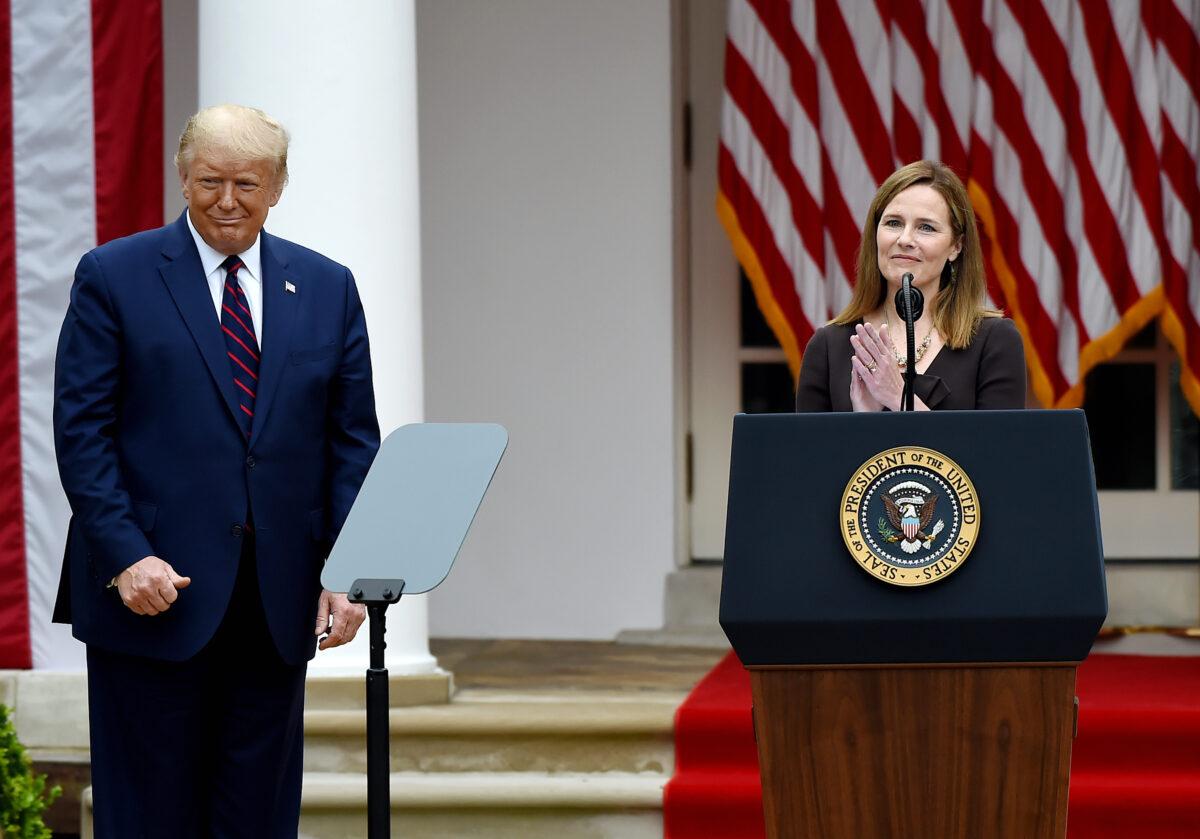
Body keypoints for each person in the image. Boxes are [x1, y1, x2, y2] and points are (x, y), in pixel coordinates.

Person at [52, 104, 380, 838]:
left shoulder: (328, 286)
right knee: (149, 818)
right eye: (209, 181)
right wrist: (127, 553)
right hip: (150, 598)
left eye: (246, 183)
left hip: (274, 603)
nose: (226, 201)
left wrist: (346, 566)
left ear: (278, 185)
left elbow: (352, 440)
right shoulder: (114, 275)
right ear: (182, 174)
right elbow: (81, 433)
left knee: (260, 818)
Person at [795, 160, 1026, 412]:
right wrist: (864, 422)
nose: (905, 239)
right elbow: (810, 451)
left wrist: (899, 398)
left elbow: (996, 451)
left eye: (926, 227)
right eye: (893, 223)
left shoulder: (994, 341)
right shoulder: (828, 347)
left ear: (956, 247)